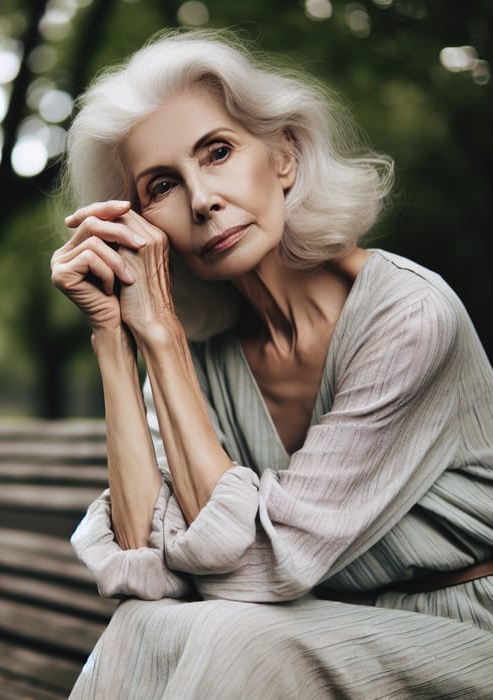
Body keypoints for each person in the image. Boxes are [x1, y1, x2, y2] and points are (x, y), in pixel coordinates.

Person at [50, 28, 493, 699]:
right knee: (144, 625)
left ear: (283, 155)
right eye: (163, 184)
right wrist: (116, 336)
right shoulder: (191, 351)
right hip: (315, 623)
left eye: (218, 152)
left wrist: (162, 337)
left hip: (458, 629)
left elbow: (264, 566)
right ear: (141, 222)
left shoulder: (408, 315)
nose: (201, 200)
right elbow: (145, 566)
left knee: (235, 638)